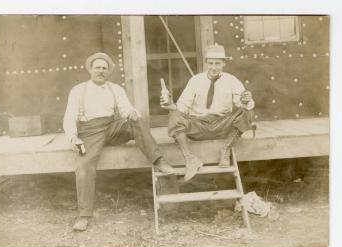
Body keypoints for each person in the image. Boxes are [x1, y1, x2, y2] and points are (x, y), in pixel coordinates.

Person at [63, 52, 176, 231]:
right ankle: (84, 216)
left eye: (104, 68)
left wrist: (131, 113)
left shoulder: (115, 89)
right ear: (90, 70)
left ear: (109, 71)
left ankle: (159, 160)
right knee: (84, 167)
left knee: (137, 121)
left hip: (111, 127)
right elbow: (69, 117)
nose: (101, 71)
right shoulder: (79, 90)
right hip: (89, 132)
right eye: (97, 67)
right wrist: (73, 137)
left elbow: (126, 108)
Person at [160, 45, 255, 182]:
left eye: (217, 63)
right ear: (206, 63)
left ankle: (226, 149)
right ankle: (190, 159)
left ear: (224, 63)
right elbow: (182, 107)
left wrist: (246, 100)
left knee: (247, 111)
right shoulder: (195, 81)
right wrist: (170, 105)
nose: (214, 67)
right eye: (210, 63)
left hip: (222, 125)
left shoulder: (232, 80)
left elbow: (243, 103)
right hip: (199, 125)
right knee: (175, 115)